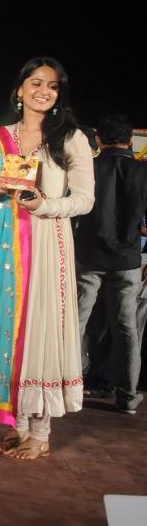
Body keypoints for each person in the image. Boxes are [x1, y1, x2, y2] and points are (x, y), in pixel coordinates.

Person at [0, 57, 94, 459]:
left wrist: (45, 205)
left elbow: (84, 200)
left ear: (58, 94)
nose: (43, 91)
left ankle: (41, 433)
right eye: (35, 83)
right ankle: (16, 424)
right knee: (5, 333)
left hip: (47, 244)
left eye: (51, 85)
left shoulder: (70, 138)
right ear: (20, 90)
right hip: (0, 251)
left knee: (40, 330)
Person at [74, 114, 147, 414]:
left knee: (76, 323)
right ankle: (128, 397)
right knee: (127, 327)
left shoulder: (88, 168)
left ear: (99, 141)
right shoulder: (142, 171)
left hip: (88, 257)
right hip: (128, 260)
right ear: (130, 140)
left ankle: (69, 388)